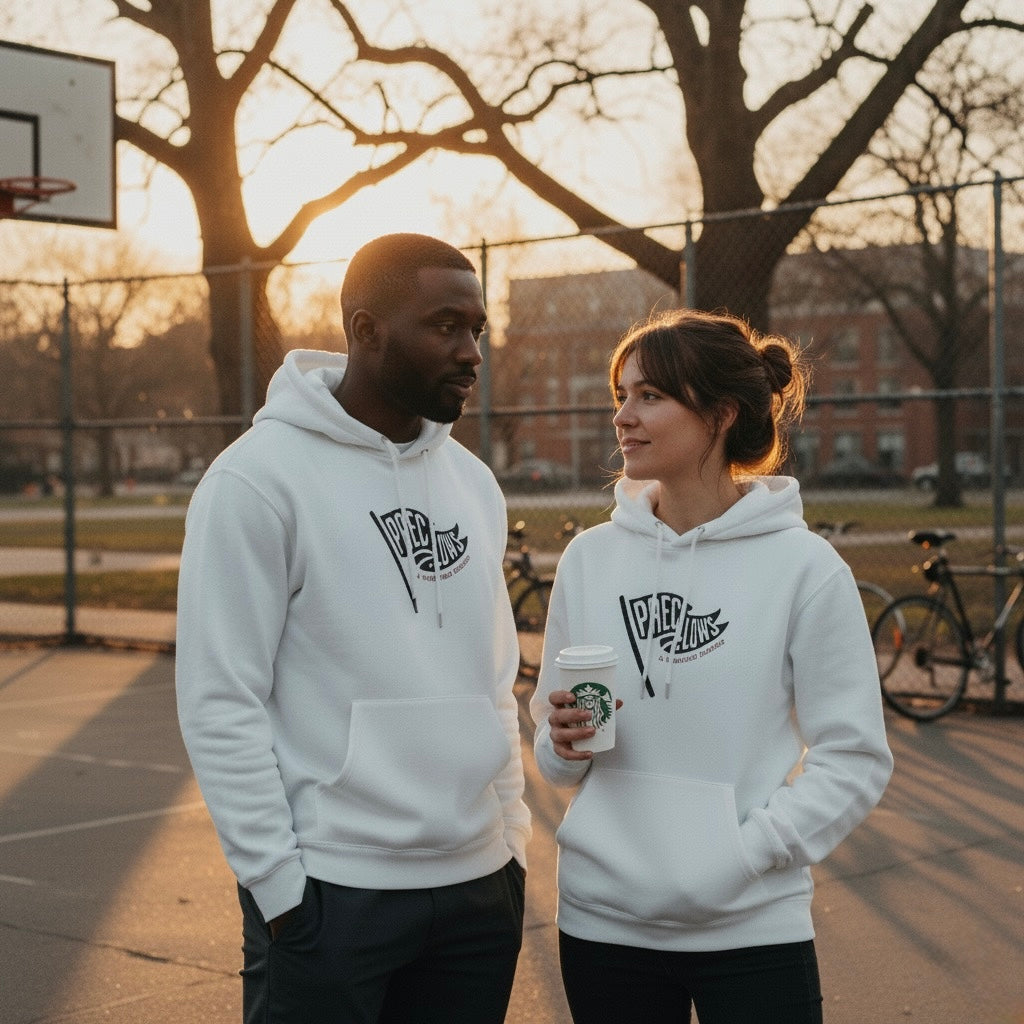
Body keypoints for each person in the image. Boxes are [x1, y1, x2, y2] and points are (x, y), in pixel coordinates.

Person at [176, 233, 530, 1024]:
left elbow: (493, 681)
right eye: (446, 326)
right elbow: (219, 699)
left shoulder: (473, 485)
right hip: (332, 896)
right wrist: (280, 890)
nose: (472, 352)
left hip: (477, 888)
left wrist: (510, 845)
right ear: (367, 331)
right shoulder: (256, 481)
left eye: (477, 328)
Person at [530, 308, 893, 1024]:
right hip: (605, 921)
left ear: (722, 413)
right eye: (620, 396)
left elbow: (853, 757)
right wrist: (562, 741)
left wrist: (747, 853)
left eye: (649, 396)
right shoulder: (589, 559)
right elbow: (553, 754)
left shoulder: (804, 569)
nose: (623, 418)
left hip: (752, 921)